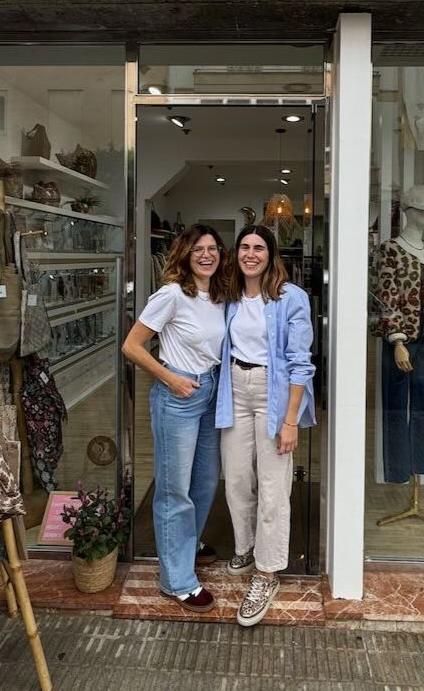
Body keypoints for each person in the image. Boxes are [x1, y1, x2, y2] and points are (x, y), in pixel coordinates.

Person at [121, 224, 228, 612]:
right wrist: (170, 378)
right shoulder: (170, 295)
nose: (207, 254)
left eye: (213, 248)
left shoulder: (218, 295)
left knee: (204, 482)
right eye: (198, 248)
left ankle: (189, 543)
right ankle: (177, 580)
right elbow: (131, 346)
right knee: (174, 488)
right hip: (178, 396)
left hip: (211, 393)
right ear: (184, 253)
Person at [216, 224, 316, 627]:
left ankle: (268, 571)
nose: (250, 254)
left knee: (274, 486)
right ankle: (247, 545)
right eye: (244, 247)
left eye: (259, 247)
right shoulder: (227, 296)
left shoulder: (291, 298)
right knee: (237, 477)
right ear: (236, 253)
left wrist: (290, 420)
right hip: (234, 389)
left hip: (273, 394)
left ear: (271, 254)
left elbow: (301, 362)